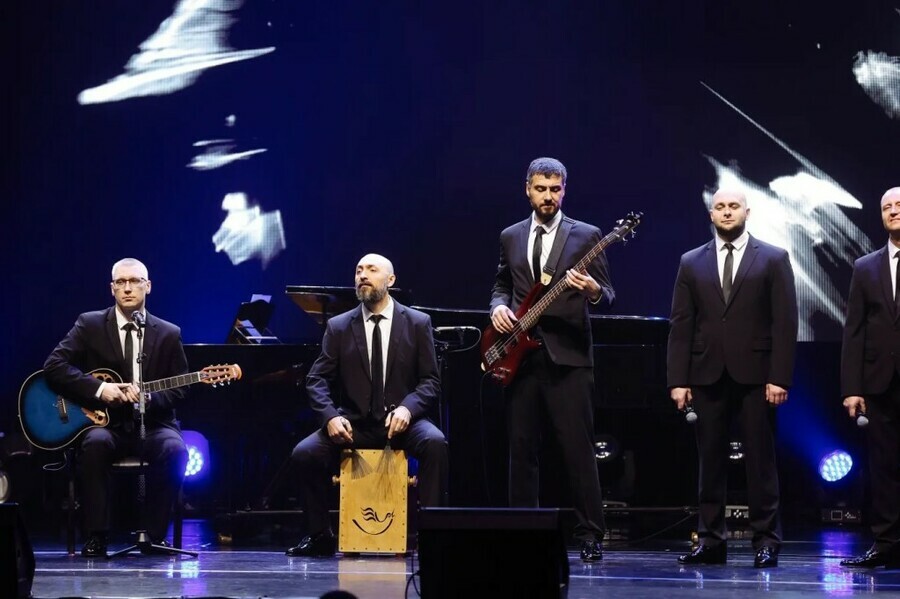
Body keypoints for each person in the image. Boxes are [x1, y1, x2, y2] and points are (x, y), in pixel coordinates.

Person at [489, 156, 614, 562]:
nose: (548, 196)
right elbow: (502, 283)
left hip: (569, 359)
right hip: (520, 357)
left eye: (555, 189)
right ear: (527, 189)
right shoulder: (510, 235)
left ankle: (591, 533)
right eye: (541, 189)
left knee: (578, 449)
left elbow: (607, 295)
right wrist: (497, 307)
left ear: (564, 190)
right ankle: (522, 531)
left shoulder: (587, 235)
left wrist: (593, 289)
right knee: (521, 449)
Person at [667, 189, 798, 568]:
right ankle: (711, 541)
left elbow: (785, 322)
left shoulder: (773, 258)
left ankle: (766, 540)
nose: (727, 212)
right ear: (711, 214)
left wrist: (780, 377)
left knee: (761, 461)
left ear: (747, 212)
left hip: (757, 376)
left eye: (734, 206)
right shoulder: (691, 261)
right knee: (710, 462)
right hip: (706, 374)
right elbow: (681, 325)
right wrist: (678, 379)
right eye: (720, 207)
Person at [286, 253, 448, 557]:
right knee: (304, 454)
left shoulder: (417, 323)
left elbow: (430, 381)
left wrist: (408, 408)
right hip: (355, 424)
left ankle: (432, 536)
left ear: (391, 280)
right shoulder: (339, 326)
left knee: (435, 443)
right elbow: (316, 379)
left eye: (372, 270)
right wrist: (330, 418)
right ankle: (319, 535)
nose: (363, 275)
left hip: (402, 423)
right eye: (359, 270)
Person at [43, 258, 190, 558]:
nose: (127, 288)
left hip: (153, 425)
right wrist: (100, 389)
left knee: (176, 450)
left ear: (148, 286)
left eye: (134, 281)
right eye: (120, 282)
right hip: (105, 424)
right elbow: (54, 366)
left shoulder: (169, 333)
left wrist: (150, 399)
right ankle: (97, 535)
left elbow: (181, 388)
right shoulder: (90, 324)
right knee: (95, 444)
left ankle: (154, 535)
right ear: (112, 289)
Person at [839, 187, 900, 569]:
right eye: (887, 207)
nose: (893, 211)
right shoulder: (865, 267)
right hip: (880, 382)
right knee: (884, 467)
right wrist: (852, 388)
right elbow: (854, 330)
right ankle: (887, 543)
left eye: (899, 205)